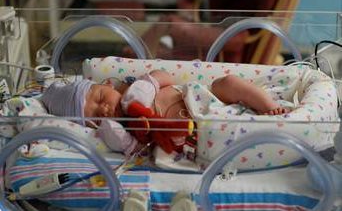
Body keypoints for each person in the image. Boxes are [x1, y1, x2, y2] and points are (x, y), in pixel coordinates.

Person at [41, 69, 288, 157]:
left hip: (204, 99)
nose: (104, 109)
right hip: (196, 132)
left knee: (229, 82)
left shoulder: (132, 85)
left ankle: (267, 107)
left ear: (107, 84)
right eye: (95, 117)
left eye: (100, 99)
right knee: (219, 140)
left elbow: (167, 76)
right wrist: (116, 136)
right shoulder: (128, 126)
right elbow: (137, 149)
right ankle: (257, 127)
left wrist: (147, 84)